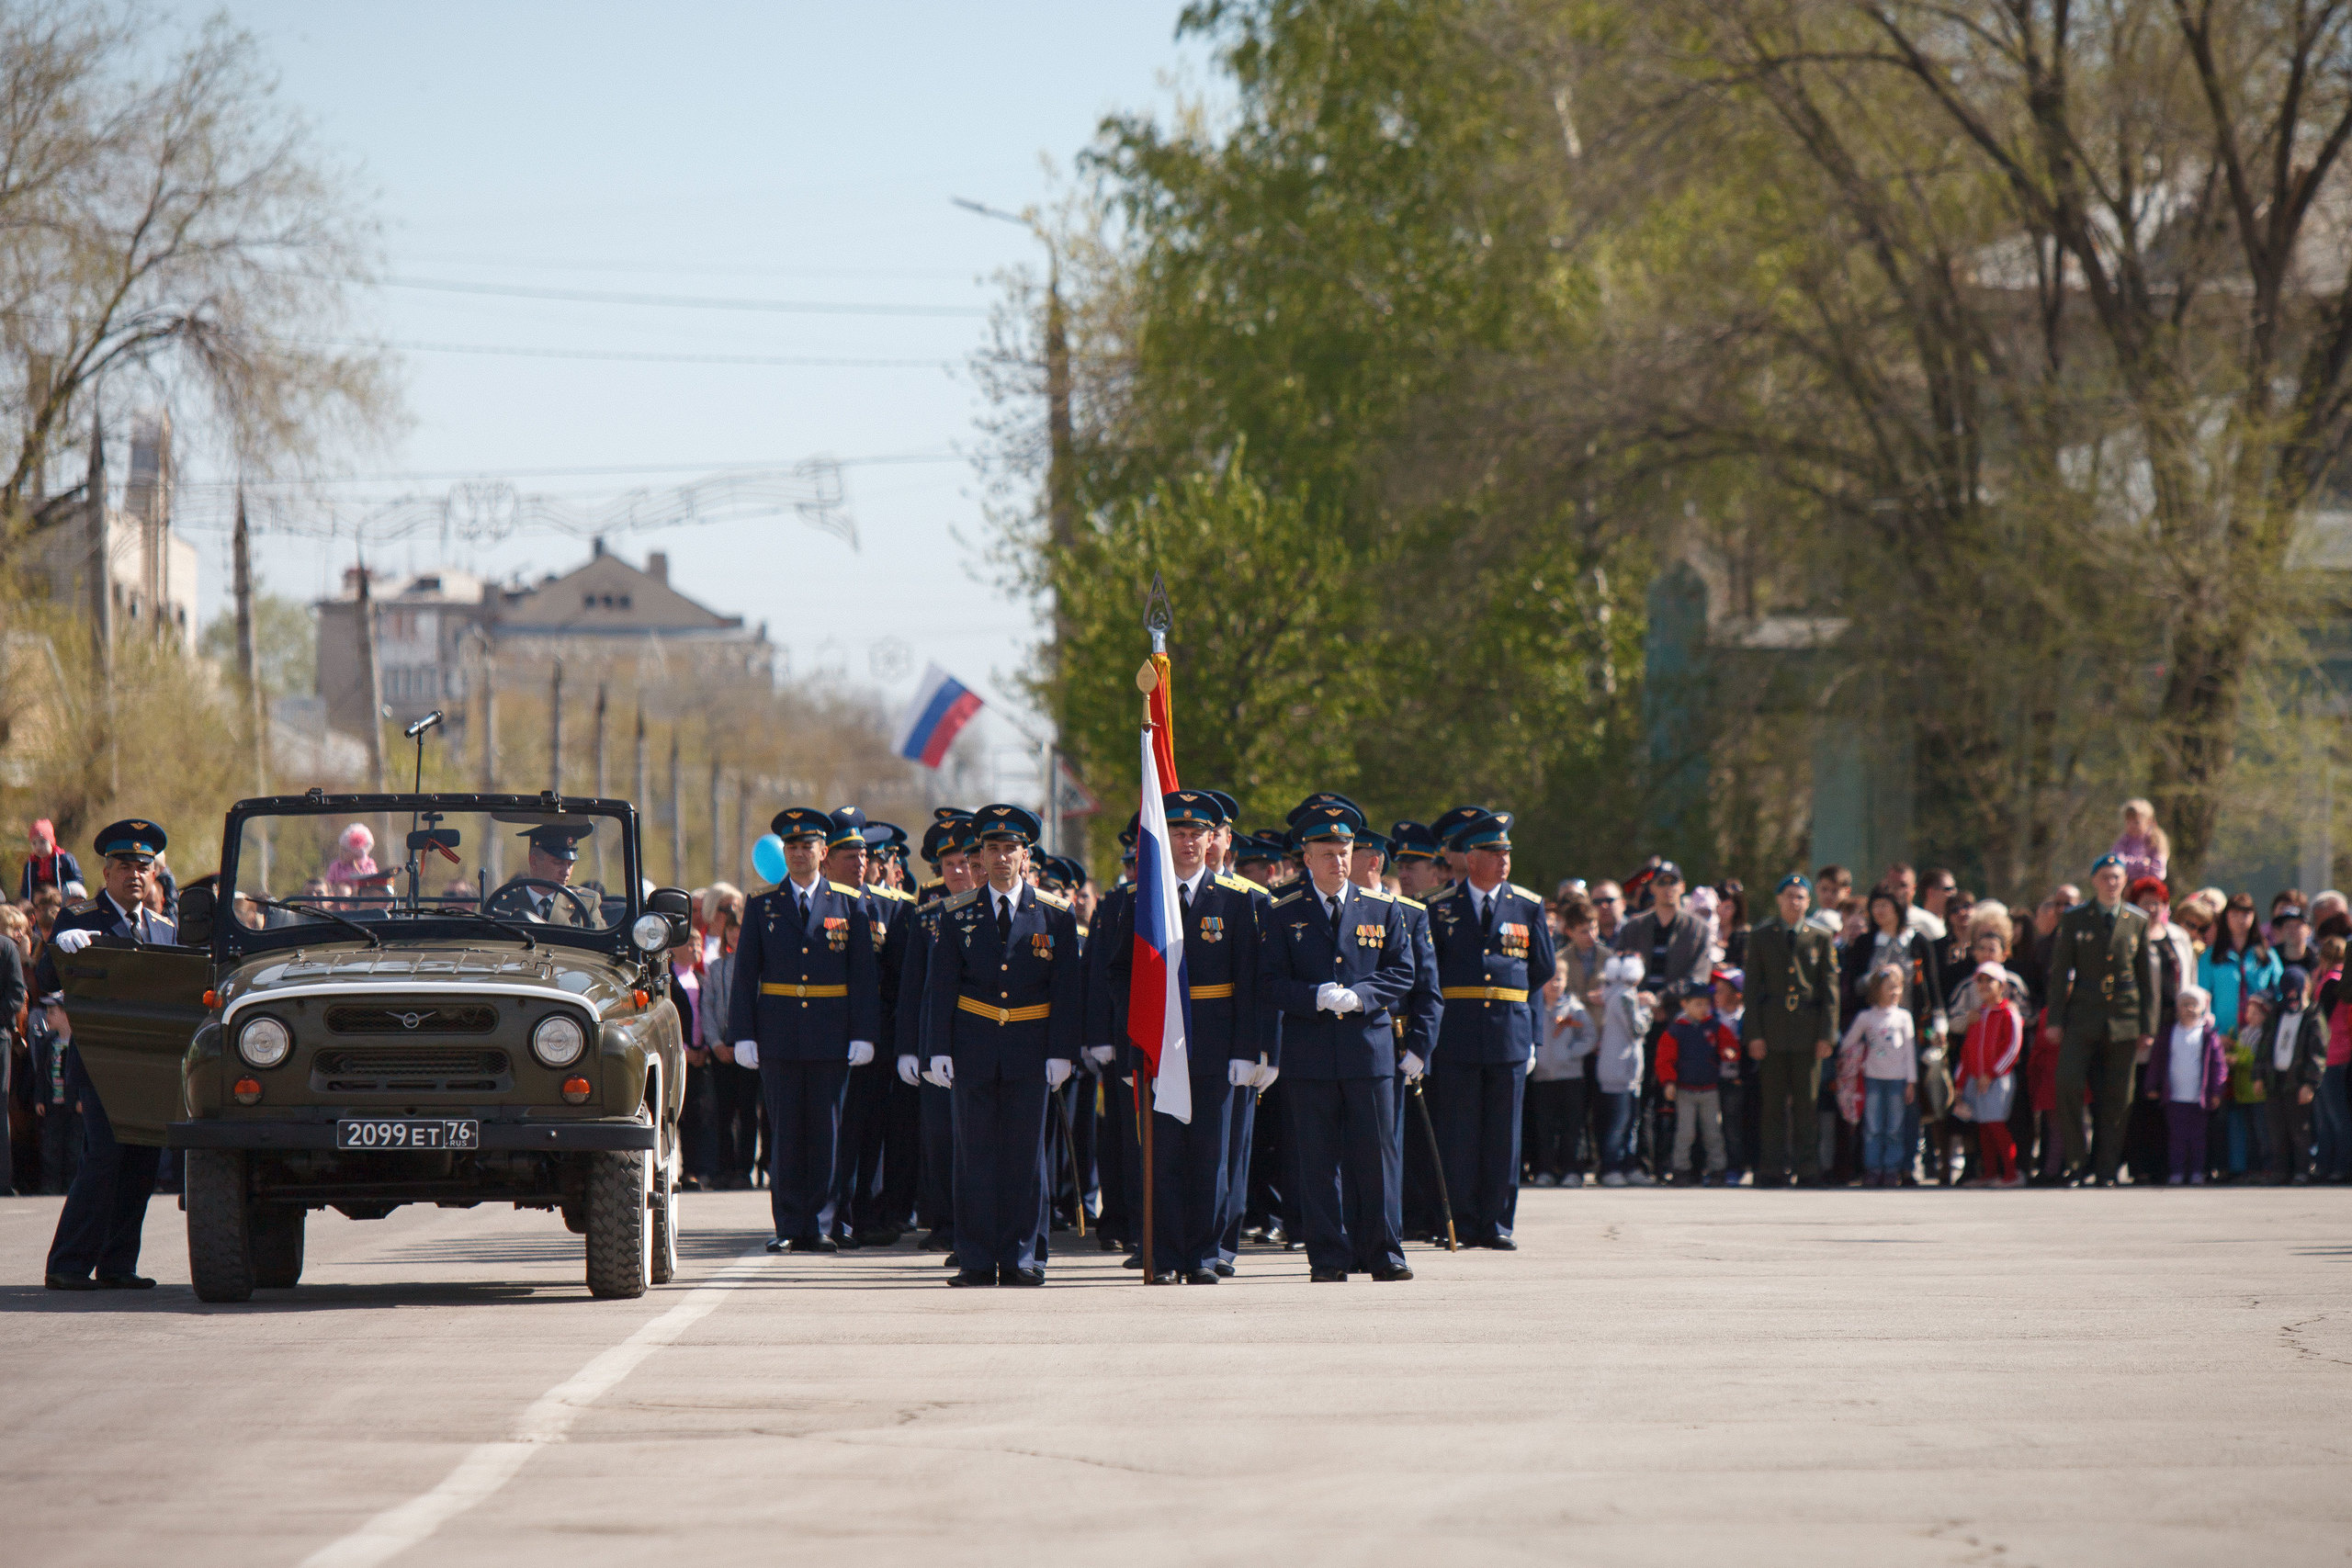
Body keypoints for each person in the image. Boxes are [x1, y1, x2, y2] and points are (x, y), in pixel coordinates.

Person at [1102, 790, 1271, 1283]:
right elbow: (1119, 975)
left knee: (1210, 1155)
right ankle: (1166, 1252)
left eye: (1197, 833)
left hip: (1216, 1044)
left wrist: (1247, 1050)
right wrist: (1137, 1040)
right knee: (1163, 1153)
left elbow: (1251, 981)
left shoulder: (1239, 902)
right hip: (1158, 1043)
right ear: (1162, 839)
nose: (1188, 842)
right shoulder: (1136, 901)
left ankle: (1202, 1254)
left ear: (1213, 839)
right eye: (1177, 832)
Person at [926, 803, 1082, 1287]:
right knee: (974, 1156)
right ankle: (975, 1257)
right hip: (973, 1046)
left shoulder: (1055, 915)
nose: (999, 858)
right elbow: (942, 987)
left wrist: (1063, 1051)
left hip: (1031, 1047)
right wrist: (938, 1048)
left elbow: (1067, 990)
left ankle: (1023, 1256)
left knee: (1023, 1156)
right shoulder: (956, 914)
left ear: (1026, 855)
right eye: (991, 849)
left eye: (1009, 849)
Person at [1261, 803, 1417, 1280]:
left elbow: (1403, 972)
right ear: (1306, 858)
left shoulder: (1383, 908)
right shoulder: (1282, 910)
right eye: (1327, 853)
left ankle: (1384, 1253)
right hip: (1310, 1054)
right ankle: (1328, 1256)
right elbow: (1268, 981)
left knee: (1377, 1159)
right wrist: (1315, 996)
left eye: (1345, 850)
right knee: (1318, 1161)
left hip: (1367, 1050)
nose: (1339, 860)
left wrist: (1361, 996)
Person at [727, 807, 880, 1254]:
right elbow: (745, 974)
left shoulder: (849, 904)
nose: (798, 854)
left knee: (826, 1133)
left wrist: (863, 1033)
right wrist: (744, 1034)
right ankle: (789, 1223)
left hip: (832, 1034)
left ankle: (820, 1223)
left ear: (823, 852)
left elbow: (863, 976)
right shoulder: (762, 905)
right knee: (786, 1132)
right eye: (791, 846)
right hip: (778, 1034)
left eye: (806, 846)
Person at [40, 819, 175, 1290]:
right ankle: (68, 1264)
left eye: (143, 866)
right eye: (124, 866)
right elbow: (44, 981)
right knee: (102, 1160)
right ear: (106, 872)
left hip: (148, 1064)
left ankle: (118, 1264)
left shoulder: (163, 928)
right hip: (100, 1060)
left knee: (141, 1164)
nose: (134, 874)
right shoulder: (80, 919)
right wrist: (61, 949)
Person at [1423, 810, 1553, 1248]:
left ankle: (1497, 1224)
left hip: (1508, 1035)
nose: (1503, 860)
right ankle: (1458, 1223)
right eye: (1493, 852)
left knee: (1503, 1137)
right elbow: (1428, 974)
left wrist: (1532, 1035)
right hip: (1456, 1034)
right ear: (1470, 857)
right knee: (1458, 1134)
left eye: (1506, 852)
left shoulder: (1528, 906)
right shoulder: (1439, 909)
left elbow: (1541, 970)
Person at [2045, 853, 2158, 1186]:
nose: (2112, 883)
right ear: (2094, 881)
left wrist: (2147, 1027)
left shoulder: (2136, 919)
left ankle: (2107, 1168)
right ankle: (2078, 1162)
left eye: (2117, 877)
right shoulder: (2076, 918)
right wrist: (2055, 1019)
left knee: (2118, 1097)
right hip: (2082, 1013)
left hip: (2123, 1015)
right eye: (2106, 877)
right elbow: (2059, 973)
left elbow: (2145, 977)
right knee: (2067, 1084)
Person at [899, 813, 978, 1253]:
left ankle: (976, 1227)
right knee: (940, 1138)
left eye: (966, 862)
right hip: (935, 1044)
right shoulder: (928, 917)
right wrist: (909, 1050)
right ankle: (946, 1222)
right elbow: (913, 989)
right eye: (949, 865)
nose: (959, 872)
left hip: (981, 1041)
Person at [1743, 874, 1840, 1188]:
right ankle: (1771, 1168)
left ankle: (1808, 1169)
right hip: (1771, 1031)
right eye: (1789, 896)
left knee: (1806, 1104)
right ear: (1779, 899)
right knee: (1771, 1104)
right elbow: (1751, 989)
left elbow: (1830, 990)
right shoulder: (1761, 936)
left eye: (1800, 897)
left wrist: (1827, 1034)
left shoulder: (1820, 937)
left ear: (1808, 902)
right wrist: (1754, 1034)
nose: (1794, 902)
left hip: (1807, 1032)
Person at [1840, 966, 1917, 1188]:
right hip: (1873, 1078)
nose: (1895, 991)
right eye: (1889, 987)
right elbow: (1848, 1042)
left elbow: (1910, 1051)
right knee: (1873, 1127)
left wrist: (1911, 1081)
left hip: (1898, 1080)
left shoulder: (1904, 1017)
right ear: (1877, 989)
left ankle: (1891, 1169)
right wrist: (1858, 1056)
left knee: (1895, 1127)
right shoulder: (1866, 1017)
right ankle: (1873, 1169)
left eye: (1898, 987)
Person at [1658, 979, 1737, 1184]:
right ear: (1684, 1004)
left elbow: (1729, 1044)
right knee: (1685, 1133)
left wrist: (1730, 1052)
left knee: (1713, 1132)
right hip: (1685, 1090)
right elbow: (1665, 1059)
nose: (1703, 1009)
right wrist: (1669, 1082)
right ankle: (1680, 1170)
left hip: (1710, 1089)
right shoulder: (1676, 1030)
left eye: (1706, 1004)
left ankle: (1718, 1170)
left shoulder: (1714, 1026)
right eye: (1697, 1004)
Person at [1952, 962, 2024, 1187]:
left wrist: (1992, 1073)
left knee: (1996, 1124)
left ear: (2001, 985)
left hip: (1997, 1079)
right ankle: (1990, 1173)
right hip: (1977, 1079)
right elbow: (1967, 1052)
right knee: (1983, 1126)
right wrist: (1960, 1083)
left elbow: (2013, 1047)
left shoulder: (2008, 1013)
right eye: (1980, 981)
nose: (1984, 985)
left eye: (1989, 981)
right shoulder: (1977, 1016)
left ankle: (2011, 1174)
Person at [2145, 984, 2225, 1185]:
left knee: (2198, 1138)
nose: (2189, 1009)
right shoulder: (2168, 1034)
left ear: (2202, 1008)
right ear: (2177, 1008)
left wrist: (2216, 1091)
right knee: (2176, 1138)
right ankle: (2177, 1172)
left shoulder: (2208, 1036)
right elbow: (2157, 1062)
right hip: (2174, 1097)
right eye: (2185, 1004)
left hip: (2199, 1098)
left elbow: (2218, 1065)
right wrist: (2151, 1086)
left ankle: (2197, 1171)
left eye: (2194, 1004)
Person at [2258, 966, 2324, 1185]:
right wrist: (2258, 1076)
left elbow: (2317, 1052)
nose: (2292, 999)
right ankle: (2280, 1171)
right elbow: (2264, 1045)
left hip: (2297, 1081)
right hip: (2275, 1080)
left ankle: (2302, 1170)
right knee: (2276, 1128)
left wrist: (2310, 1083)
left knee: (2299, 1129)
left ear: (2305, 988)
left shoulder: (2312, 1015)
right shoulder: (2276, 1013)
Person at [1529, 971, 1595, 1186]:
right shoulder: (1534, 1008)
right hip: (1542, 1077)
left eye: (1559, 979)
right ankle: (1545, 1170)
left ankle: (1572, 1171)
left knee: (1572, 1126)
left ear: (1566, 981)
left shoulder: (1575, 1009)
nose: (1554, 984)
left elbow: (1590, 1037)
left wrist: (1569, 1053)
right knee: (1544, 1127)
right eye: (1549, 979)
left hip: (1570, 1077)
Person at [1593, 953, 1652, 1186]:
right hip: (1620, 1070)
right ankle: (1610, 1167)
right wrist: (1647, 1010)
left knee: (1629, 1123)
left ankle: (1628, 1166)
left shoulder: (1613, 994)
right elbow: (1636, 1029)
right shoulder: (1625, 996)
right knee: (1620, 1123)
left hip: (1623, 1070)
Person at [2198, 892, 2277, 1038]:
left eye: (2246, 914)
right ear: (2226, 917)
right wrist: (2216, 1033)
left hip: (2260, 1036)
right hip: (2220, 1037)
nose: (2240, 919)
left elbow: (2278, 993)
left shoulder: (2266, 956)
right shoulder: (2211, 956)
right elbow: (2202, 998)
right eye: (2234, 914)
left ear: (2254, 917)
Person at [485, 823, 597, 923]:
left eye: (570, 864)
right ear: (533, 861)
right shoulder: (502, 907)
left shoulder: (584, 906)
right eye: (558, 862)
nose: (566, 872)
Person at [17, 819, 81, 902]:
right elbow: (26, 889)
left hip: (64, 900)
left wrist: (70, 896)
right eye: (34, 843)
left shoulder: (64, 859)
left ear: (51, 842)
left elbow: (77, 880)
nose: (38, 847)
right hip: (39, 903)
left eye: (42, 842)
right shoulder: (30, 865)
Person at [2111, 798, 2170, 886]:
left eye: (2136, 822)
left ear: (2149, 821)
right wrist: (2140, 865)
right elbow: (2116, 862)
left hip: (2150, 886)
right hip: (2127, 885)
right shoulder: (2123, 841)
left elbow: (2158, 872)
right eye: (2128, 822)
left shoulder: (2156, 840)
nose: (2131, 826)